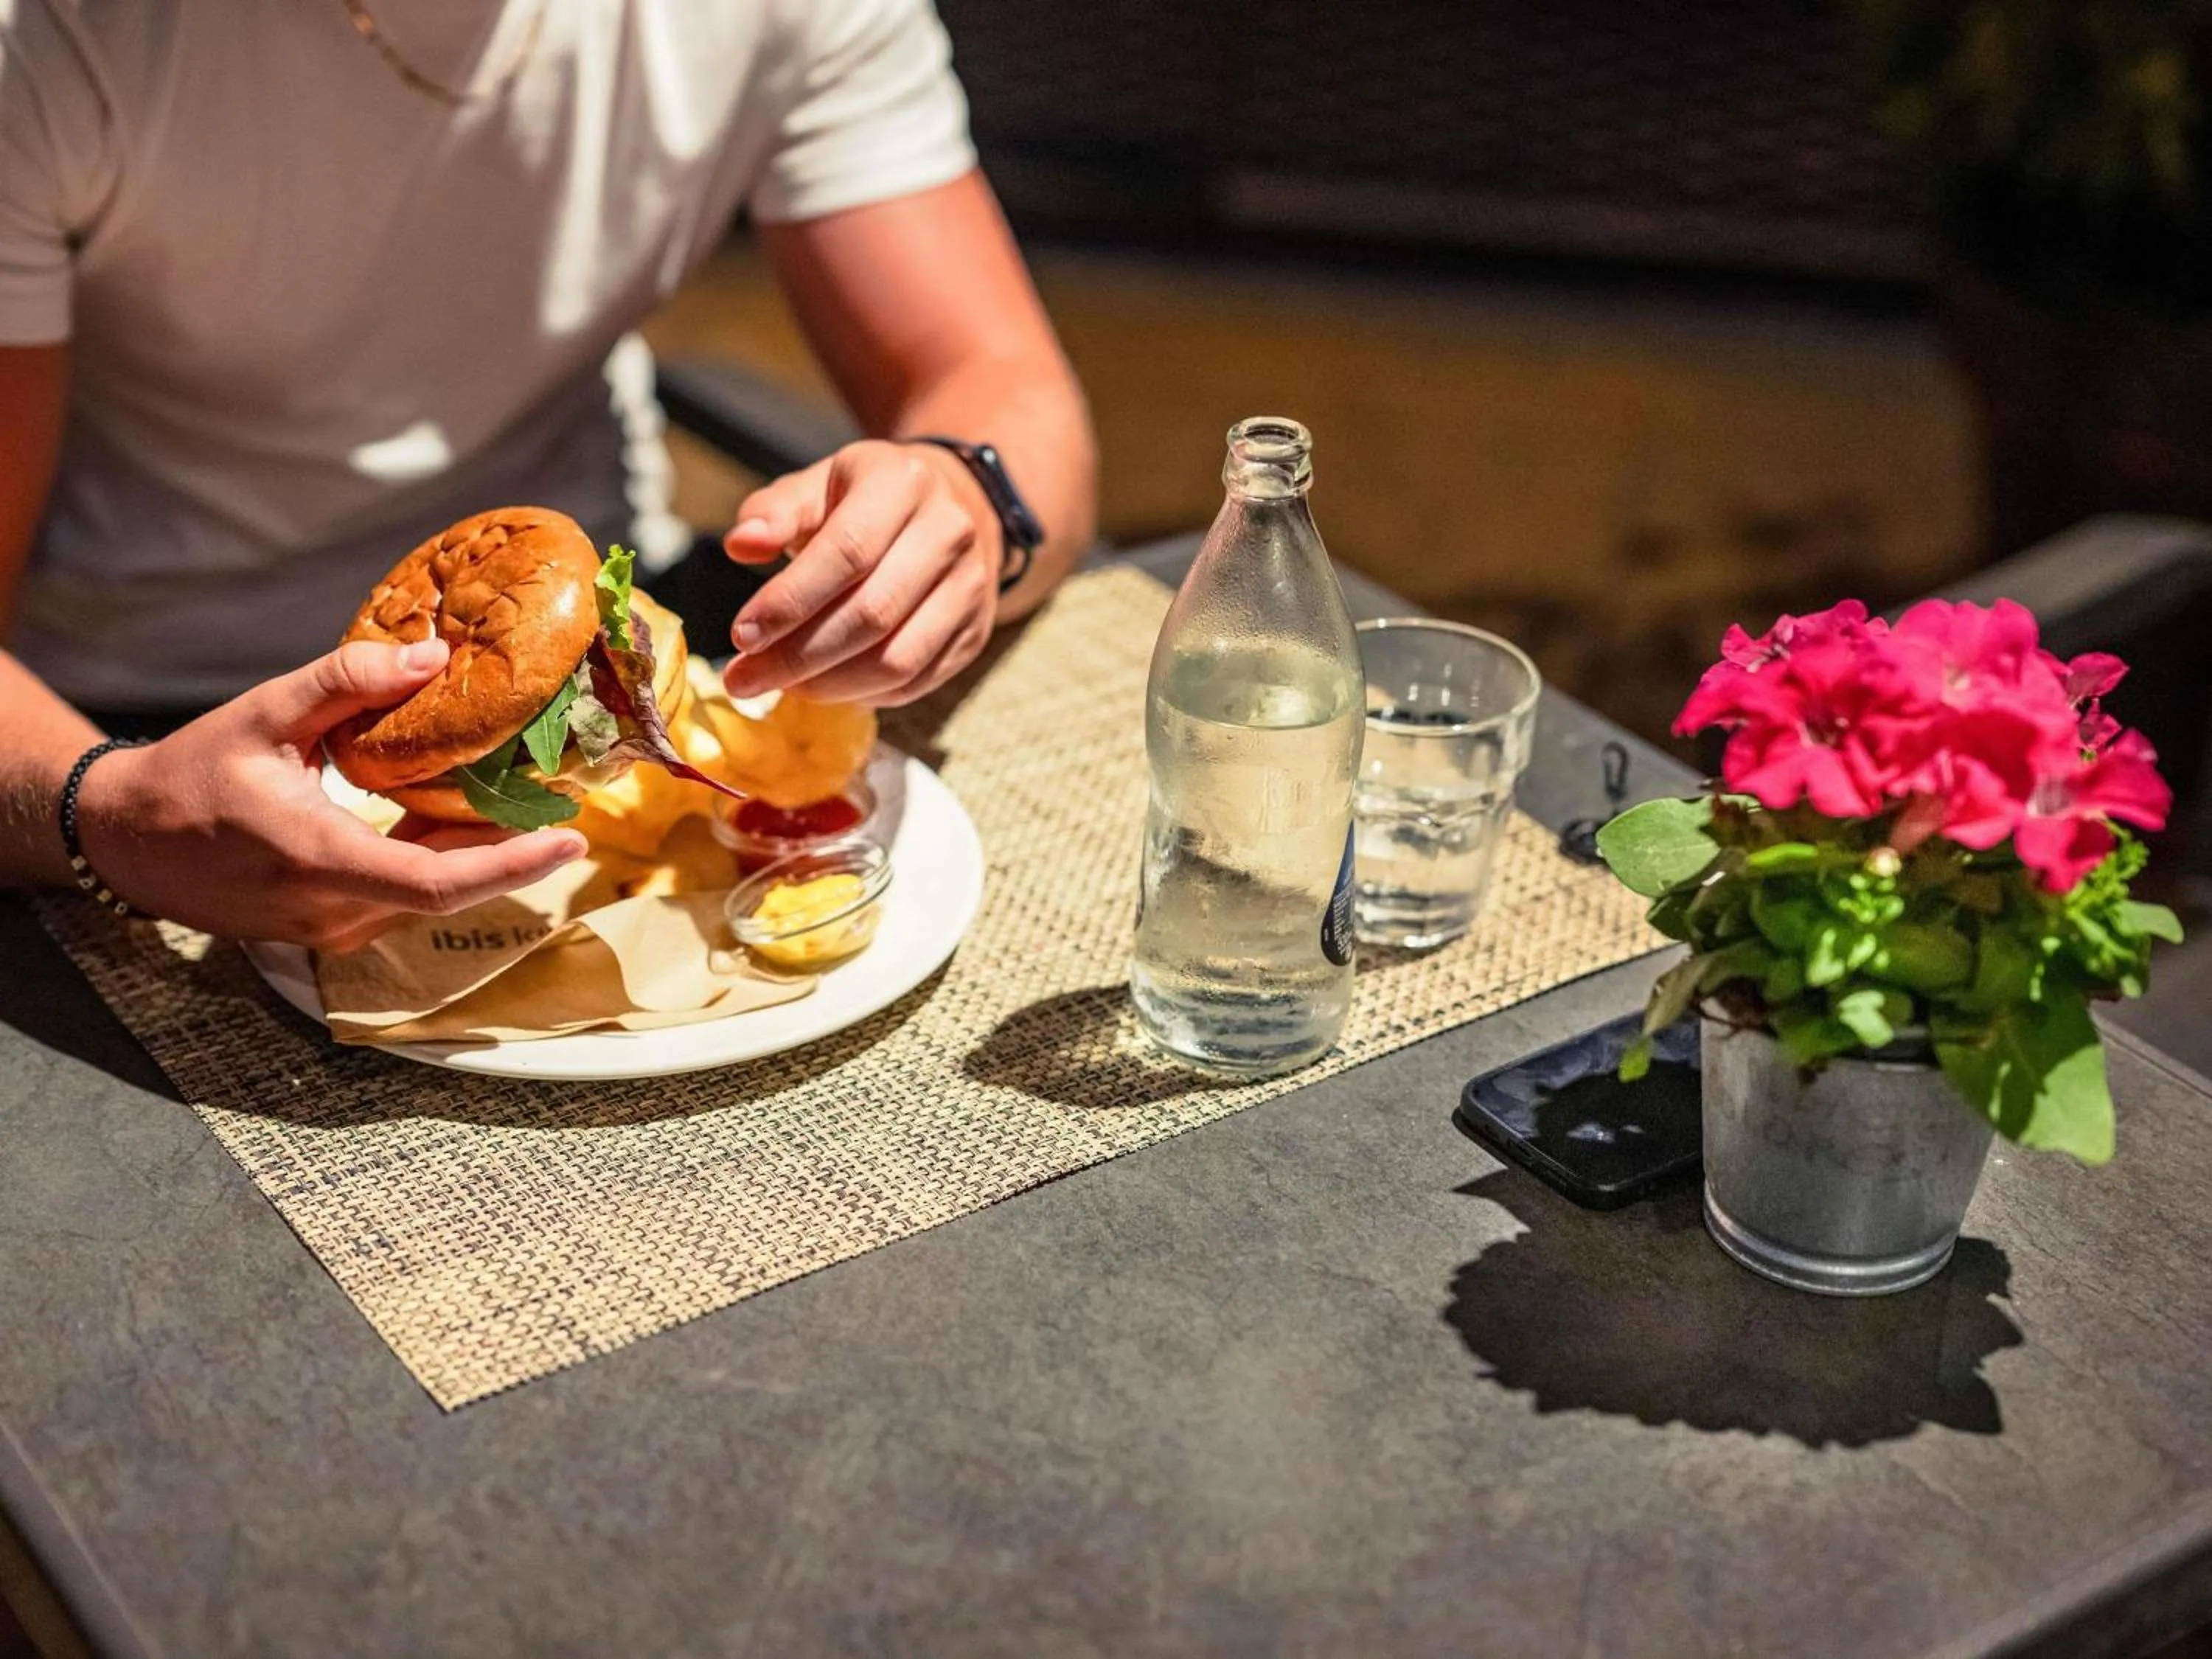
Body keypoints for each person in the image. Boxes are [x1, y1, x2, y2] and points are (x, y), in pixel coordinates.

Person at [0, 0, 1096, 947]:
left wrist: (966, 502)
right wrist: (103, 814)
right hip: (128, 721)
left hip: (622, 687)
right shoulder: (49, 40)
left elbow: (1004, 389)